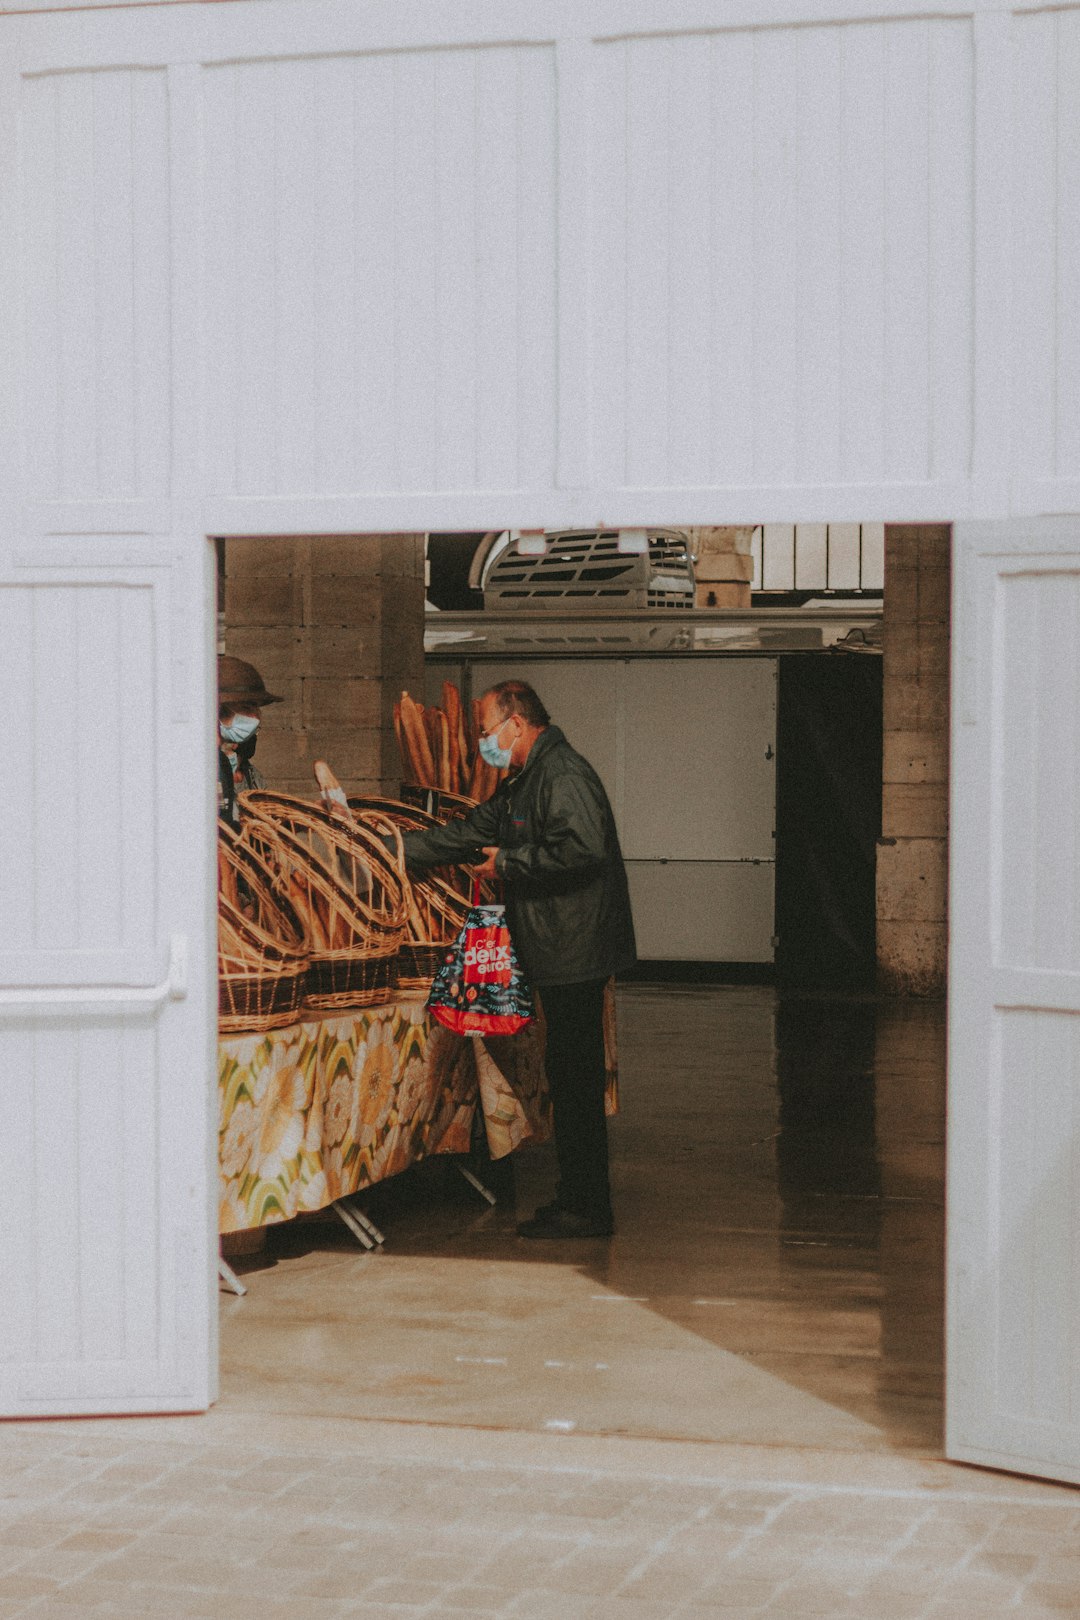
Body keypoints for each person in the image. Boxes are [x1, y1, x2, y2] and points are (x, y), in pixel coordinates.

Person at [398, 679, 636, 1238]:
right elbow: (471, 830)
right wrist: (394, 849)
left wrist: (509, 863)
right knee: (568, 1077)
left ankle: (586, 1208)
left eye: (486, 731)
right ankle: (577, 1197)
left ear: (517, 724)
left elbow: (583, 847)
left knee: (575, 1081)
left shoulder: (563, 774)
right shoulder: (526, 779)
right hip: (559, 947)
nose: (484, 742)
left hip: (574, 948)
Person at [217, 655, 282, 826]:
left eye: (257, 709)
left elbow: (269, 824)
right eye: (246, 708)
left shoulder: (252, 776)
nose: (255, 717)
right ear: (219, 712)